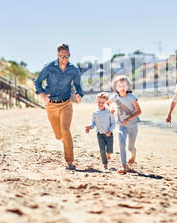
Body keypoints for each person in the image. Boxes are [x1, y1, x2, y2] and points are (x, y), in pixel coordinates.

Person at [34, 43, 84, 171]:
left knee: (66, 131)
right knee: (58, 135)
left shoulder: (73, 70)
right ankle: (63, 140)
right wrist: (43, 95)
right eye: (62, 56)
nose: (65, 59)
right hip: (51, 105)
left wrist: (79, 94)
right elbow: (37, 82)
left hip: (66, 103)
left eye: (67, 56)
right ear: (57, 55)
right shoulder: (49, 67)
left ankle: (69, 161)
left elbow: (78, 86)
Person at [105, 75, 141, 174]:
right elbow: (106, 104)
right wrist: (110, 109)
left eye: (124, 85)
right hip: (122, 125)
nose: (122, 88)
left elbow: (139, 111)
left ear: (128, 86)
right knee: (121, 143)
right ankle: (124, 165)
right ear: (116, 88)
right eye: (119, 86)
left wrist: (129, 118)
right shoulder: (115, 97)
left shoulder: (132, 97)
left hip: (133, 126)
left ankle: (133, 154)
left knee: (130, 147)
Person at [85, 92, 116, 169]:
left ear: (106, 103)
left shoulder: (109, 112)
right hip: (100, 134)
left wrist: (110, 131)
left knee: (110, 150)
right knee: (102, 150)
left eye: (103, 102)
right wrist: (90, 126)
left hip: (109, 134)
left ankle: (108, 154)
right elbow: (93, 123)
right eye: (99, 102)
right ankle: (105, 164)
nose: (100, 104)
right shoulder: (95, 113)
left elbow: (113, 123)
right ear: (96, 101)